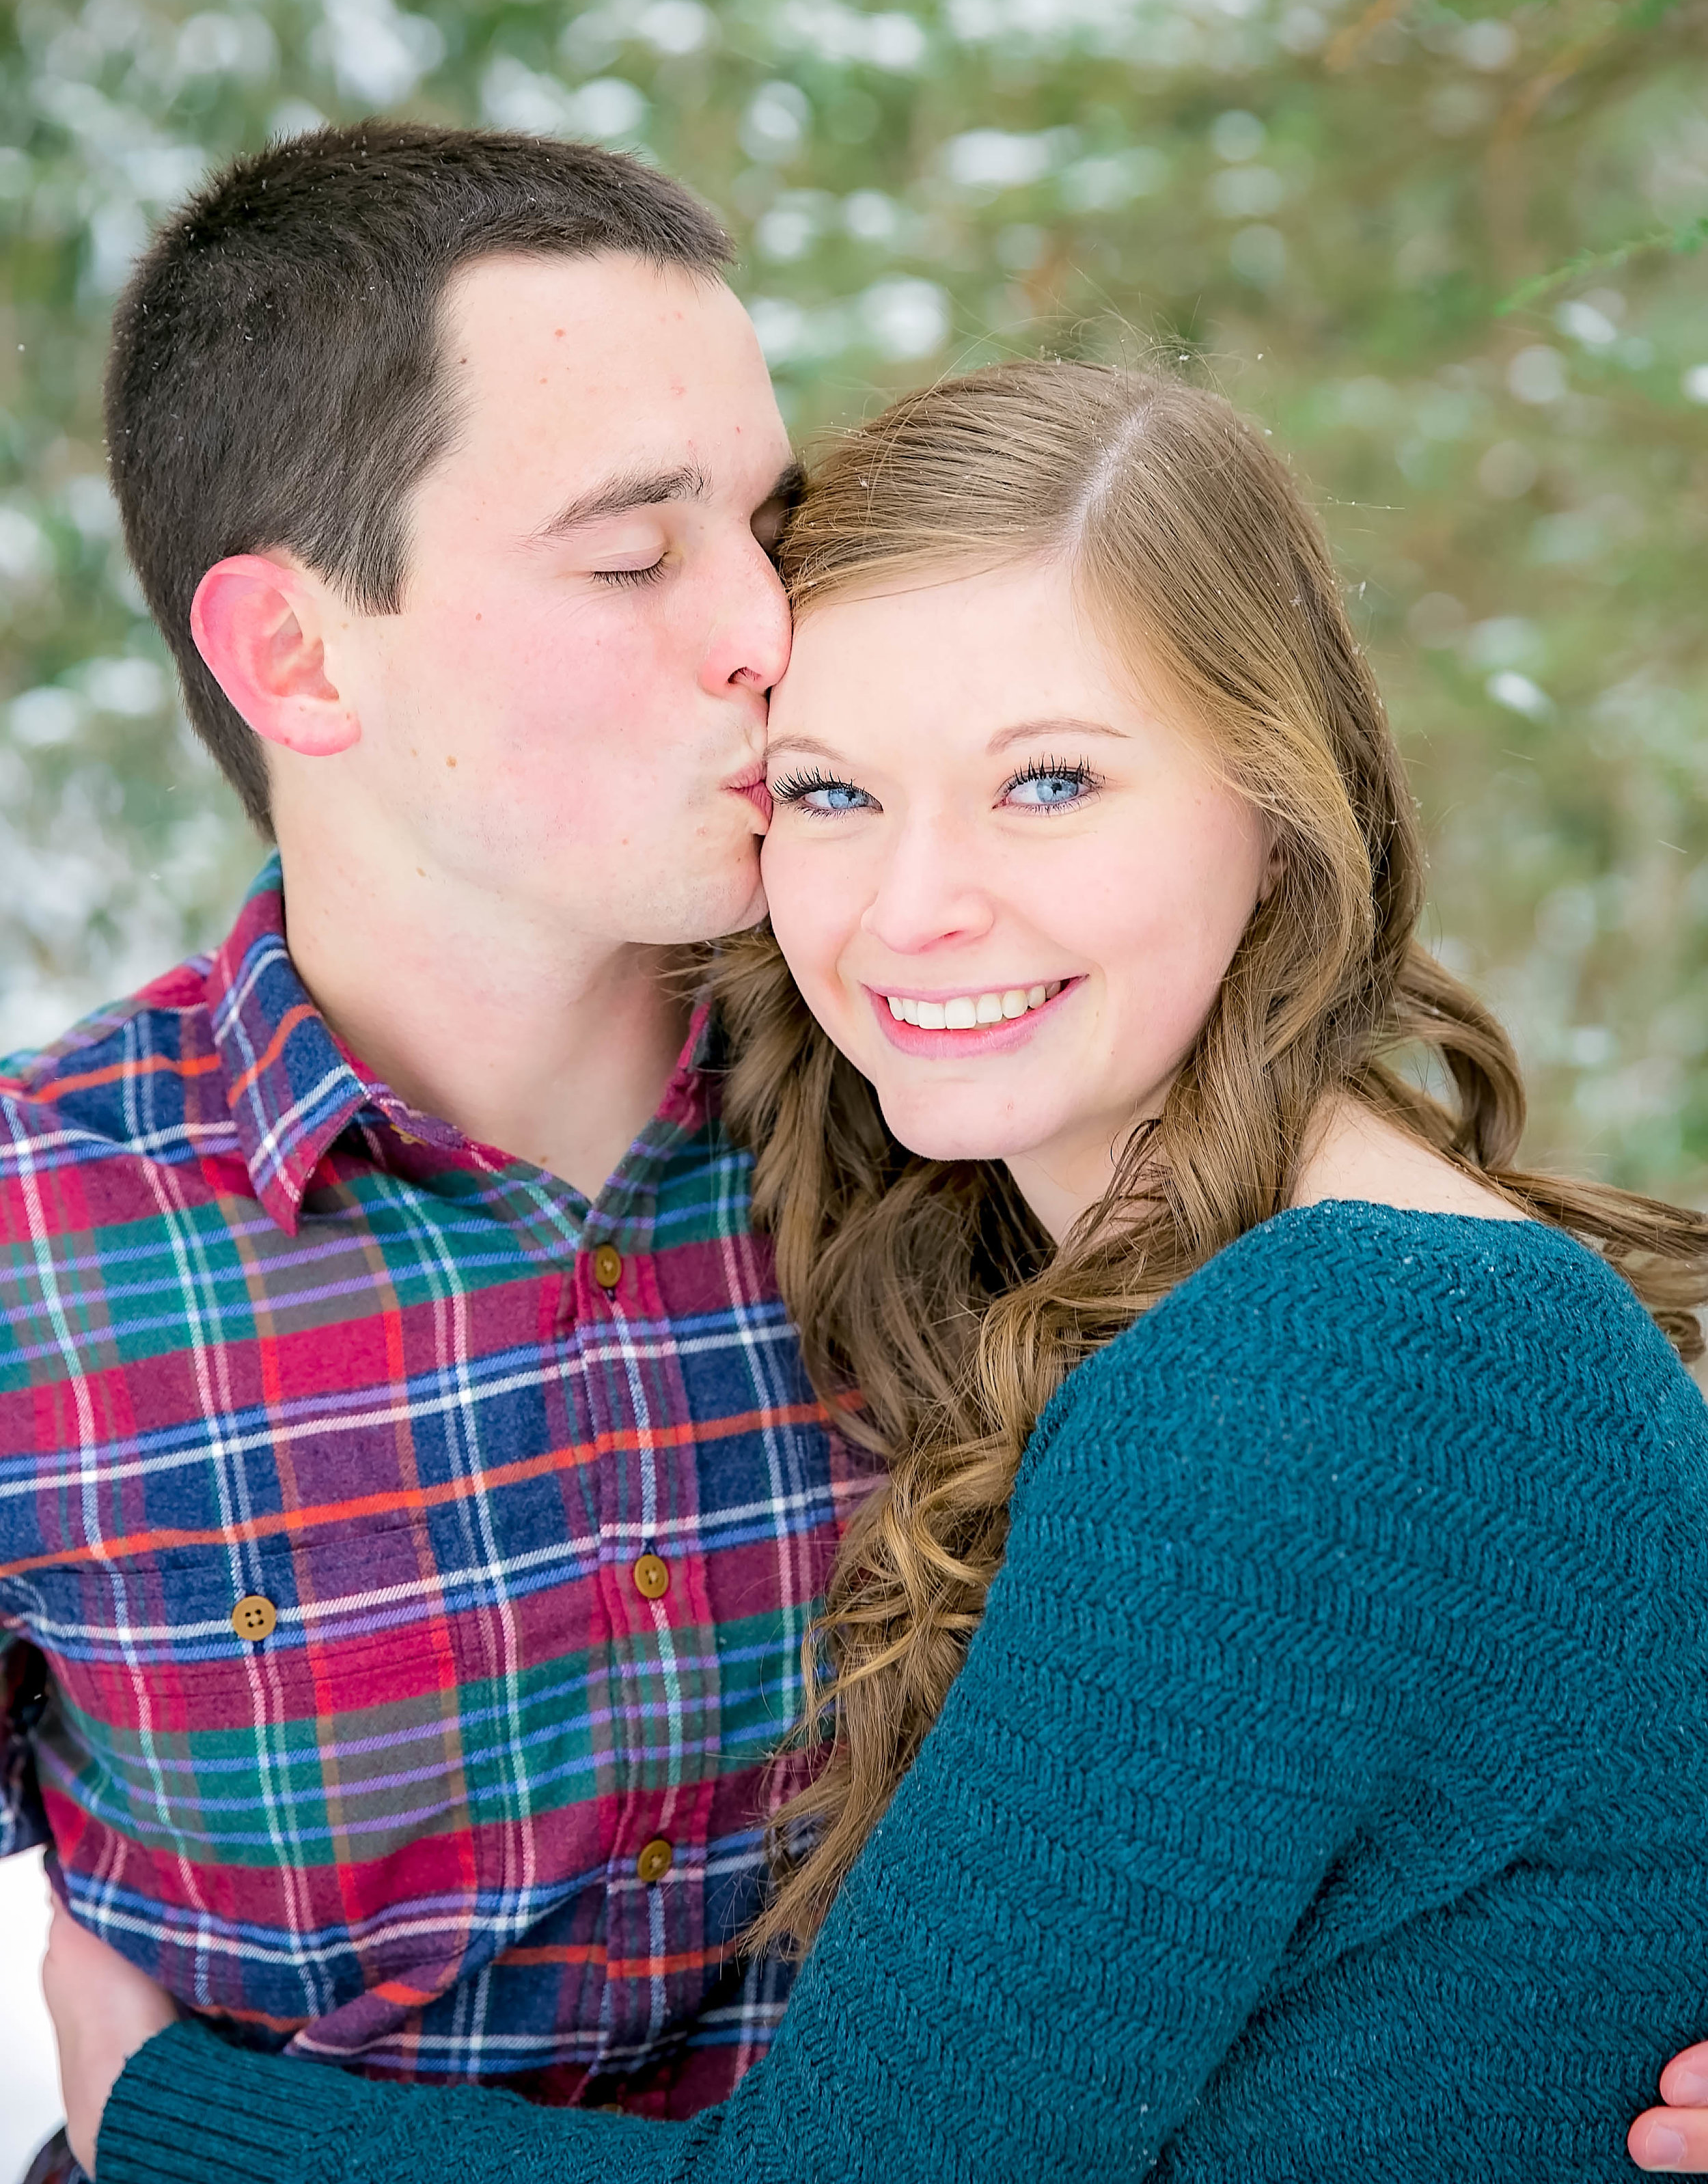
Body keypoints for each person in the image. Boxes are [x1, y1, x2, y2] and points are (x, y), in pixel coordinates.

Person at [49, 361, 1708, 2180]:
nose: (915, 905)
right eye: (831, 795)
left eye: (1050, 782)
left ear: (1276, 794)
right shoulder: (1235, 1298)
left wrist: (160, 2114)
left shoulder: (1322, 1372)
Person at [0, 122, 886, 2180]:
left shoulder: (973, 1127)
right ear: (297, 656)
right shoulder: (41, 1248)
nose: (767, 624)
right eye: (633, 550)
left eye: (771, 522)